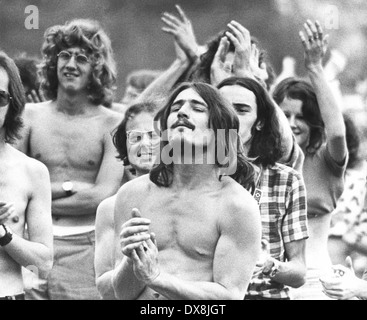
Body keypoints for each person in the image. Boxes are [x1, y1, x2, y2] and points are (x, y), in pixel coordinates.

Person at [111, 82, 262, 300]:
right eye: (175, 108)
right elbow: (123, 294)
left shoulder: (236, 205)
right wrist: (132, 259)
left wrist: (157, 279)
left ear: (221, 129)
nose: (182, 112)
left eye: (198, 108)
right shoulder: (132, 194)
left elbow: (229, 296)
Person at [15, 19, 124, 300]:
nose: (71, 64)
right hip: (28, 243)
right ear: (53, 62)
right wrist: (68, 187)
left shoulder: (113, 124)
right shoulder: (28, 117)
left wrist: (37, 196)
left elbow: (101, 194)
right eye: (64, 55)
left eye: (82, 57)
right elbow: (13, 186)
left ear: (97, 67)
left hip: (86, 246)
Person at [273, 20, 348, 300]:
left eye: (301, 116)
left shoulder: (327, 160)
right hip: (266, 279)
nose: (292, 124)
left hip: (317, 283)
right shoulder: (263, 164)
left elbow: (337, 132)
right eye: (285, 115)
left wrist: (315, 67)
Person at [217, 77, 308, 300]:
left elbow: (299, 272)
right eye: (221, 108)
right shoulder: (192, 175)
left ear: (260, 122)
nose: (230, 117)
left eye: (241, 110)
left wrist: (268, 264)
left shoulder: (286, 181)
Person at [0, 50, 53, 300]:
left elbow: (43, 264)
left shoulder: (31, 171)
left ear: (13, 104)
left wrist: (3, 235)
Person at [95, 101, 160, 299]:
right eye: (135, 137)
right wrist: (132, 260)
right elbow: (104, 288)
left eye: (154, 136)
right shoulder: (110, 207)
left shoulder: (190, 200)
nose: (145, 143)